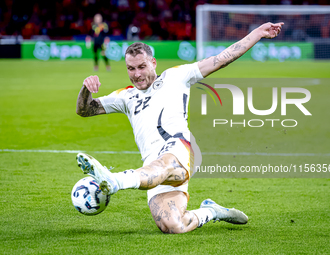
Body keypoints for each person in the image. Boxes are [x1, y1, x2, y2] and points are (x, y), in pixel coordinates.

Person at [76, 22, 284, 234]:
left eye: (142, 67)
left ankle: (116, 180)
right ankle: (211, 211)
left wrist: (257, 33)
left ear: (153, 63)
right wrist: (86, 89)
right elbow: (85, 110)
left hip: (180, 148)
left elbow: (221, 59)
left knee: (163, 165)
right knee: (173, 226)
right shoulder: (126, 96)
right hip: (150, 167)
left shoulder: (176, 76)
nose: (137, 74)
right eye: (131, 68)